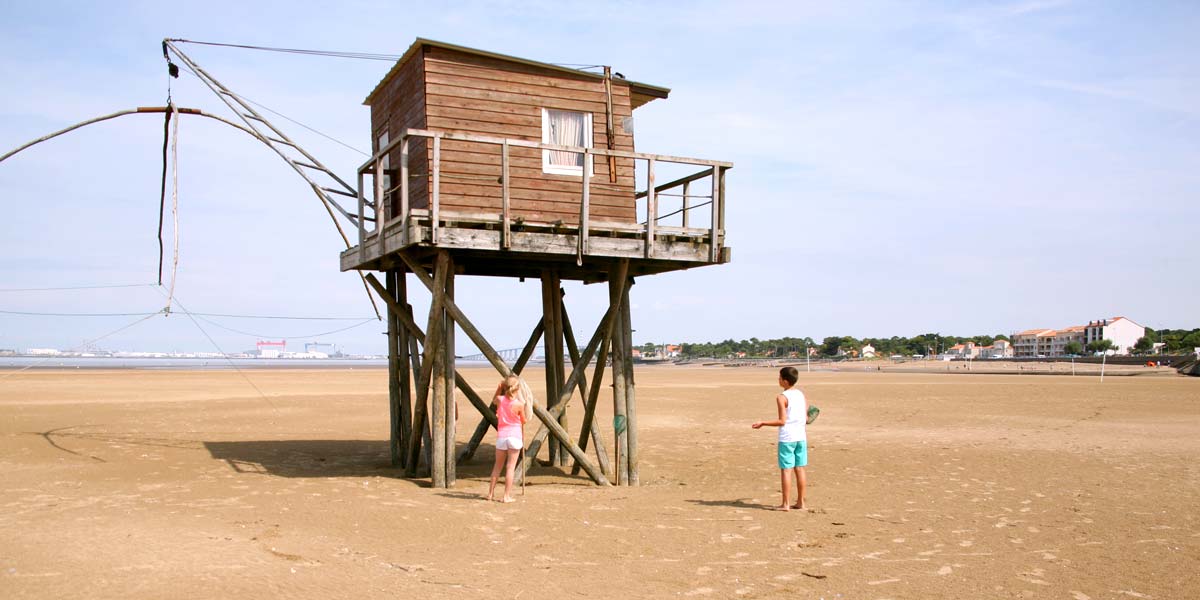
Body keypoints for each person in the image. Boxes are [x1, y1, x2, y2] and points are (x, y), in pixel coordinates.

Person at [751, 366, 809, 511]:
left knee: (786, 470)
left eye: (779, 377)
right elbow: (806, 417)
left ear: (785, 381)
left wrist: (763, 423)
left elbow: (782, 421)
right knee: (800, 469)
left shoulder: (782, 397)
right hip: (801, 437)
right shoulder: (801, 394)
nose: (778, 379)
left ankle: (785, 504)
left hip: (787, 438)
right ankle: (801, 502)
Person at [487, 375, 528, 503]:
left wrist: (499, 388)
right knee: (510, 468)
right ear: (517, 389)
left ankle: (490, 494)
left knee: (497, 467)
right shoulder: (519, 404)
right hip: (515, 437)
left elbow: (494, 400)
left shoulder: (500, 399)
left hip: (502, 436)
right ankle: (506, 496)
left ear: (505, 387)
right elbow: (523, 420)